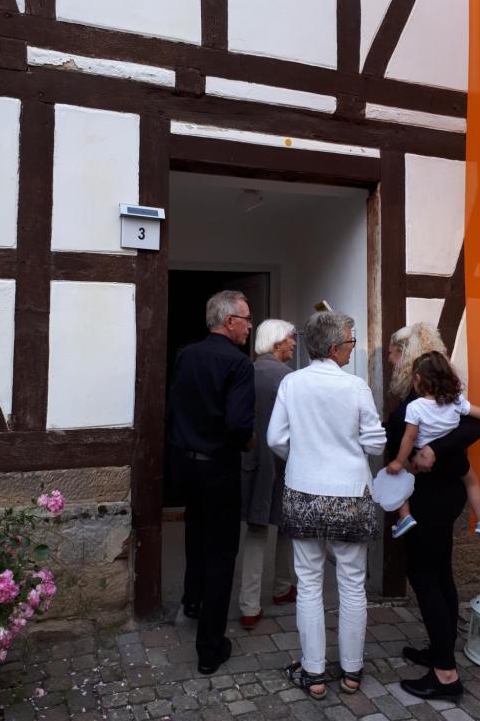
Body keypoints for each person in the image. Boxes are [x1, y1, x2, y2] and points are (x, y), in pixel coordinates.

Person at [267, 311, 386, 700]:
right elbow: (375, 445)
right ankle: (351, 674)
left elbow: (275, 439)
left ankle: (314, 674)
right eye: (351, 342)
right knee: (352, 585)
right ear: (334, 347)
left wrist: (305, 456)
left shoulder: (292, 383)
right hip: (350, 494)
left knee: (309, 585)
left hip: (303, 491)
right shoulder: (356, 388)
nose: (353, 349)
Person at [386, 323, 480, 701]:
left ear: (408, 360)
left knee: (425, 578)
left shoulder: (414, 408)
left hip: (426, 504)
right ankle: (440, 648)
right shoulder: (447, 402)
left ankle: (445, 674)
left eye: (395, 354)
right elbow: (474, 424)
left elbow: (477, 426)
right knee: (440, 574)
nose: (391, 360)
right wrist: (440, 450)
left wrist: (426, 452)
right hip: (447, 499)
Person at [168, 290, 255, 675]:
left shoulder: (186, 354)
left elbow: (174, 407)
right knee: (221, 553)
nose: (250, 326)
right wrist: (248, 440)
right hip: (219, 469)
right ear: (229, 321)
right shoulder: (238, 364)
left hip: (185, 466)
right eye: (247, 319)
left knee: (195, 534)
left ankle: (192, 600)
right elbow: (238, 425)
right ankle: (210, 646)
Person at [386, 350, 480, 541]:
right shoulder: (455, 400)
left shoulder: (415, 407)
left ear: (417, 379)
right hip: (454, 461)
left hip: (422, 462)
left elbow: (409, 437)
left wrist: (399, 461)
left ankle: (405, 516)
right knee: (472, 481)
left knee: (400, 479)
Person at [239, 319, 298, 630]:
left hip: (252, 462)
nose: (294, 344)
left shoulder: (245, 372)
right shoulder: (289, 379)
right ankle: (282, 587)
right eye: (290, 339)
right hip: (284, 462)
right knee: (287, 525)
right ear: (277, 343)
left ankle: (249, 605)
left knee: (257, 529)